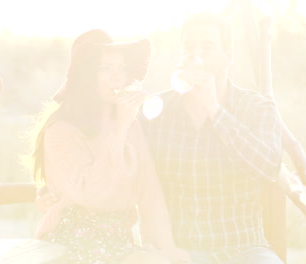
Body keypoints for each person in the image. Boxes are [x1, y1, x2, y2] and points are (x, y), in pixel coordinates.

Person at [38, 13, 284, 264]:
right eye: (189, 47)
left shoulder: (257, 108)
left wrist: (214, 109)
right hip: (181, 248)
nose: (196, 56)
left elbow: (267, 167)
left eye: (207, 47)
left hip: (244, 248)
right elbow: (109, 170)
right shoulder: (155, 111)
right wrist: (54, 189)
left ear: (228, 57)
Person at [29, 29, 190, 264]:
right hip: (68, 246)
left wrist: (167, 249)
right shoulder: (60, 130)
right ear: (86, 76)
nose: (117, 77)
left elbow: (150, 194)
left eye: (122, 68)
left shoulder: (129, 124)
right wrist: (120, 127)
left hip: (117, 244)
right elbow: (94, 195)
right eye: (106, 68)